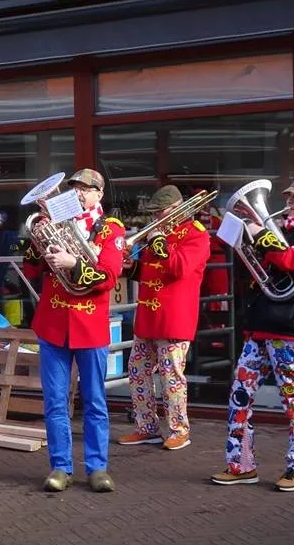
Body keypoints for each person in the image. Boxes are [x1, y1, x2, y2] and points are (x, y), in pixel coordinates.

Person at [211, 174, 294, 491]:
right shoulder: (284, 228)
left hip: (291, 329)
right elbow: (261, 267)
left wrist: (258, 234)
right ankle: (240, 464)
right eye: (289, 196)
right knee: (239, 395)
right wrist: (245, 238)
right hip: (260, 326)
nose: (288, 202)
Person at [23, 169, 125, 493]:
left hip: (90, 325)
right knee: (54, 401)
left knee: (94, 400)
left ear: (99, 195)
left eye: (86, 189)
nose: (79, 193)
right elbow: (31, 269)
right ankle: (60, 466)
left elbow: (108, 276)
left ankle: (97, 468)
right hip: (54, 324)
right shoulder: (51, 222)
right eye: (75, 188)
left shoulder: (110, 229)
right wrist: (38, 240)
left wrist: (74, 263)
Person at [118, 186, 210, 450]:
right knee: (137, 372)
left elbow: (178, 268)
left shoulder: (196, 235)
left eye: (161, 212)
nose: (156, 216)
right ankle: (146, 427)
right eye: (155, 212)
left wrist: (158, 243)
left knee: (171, 377)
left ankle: (179, 429)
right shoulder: (161, 233)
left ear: (177, 208)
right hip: (148, 315)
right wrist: (132, 267)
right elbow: (151, 272)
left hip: (174, 317)